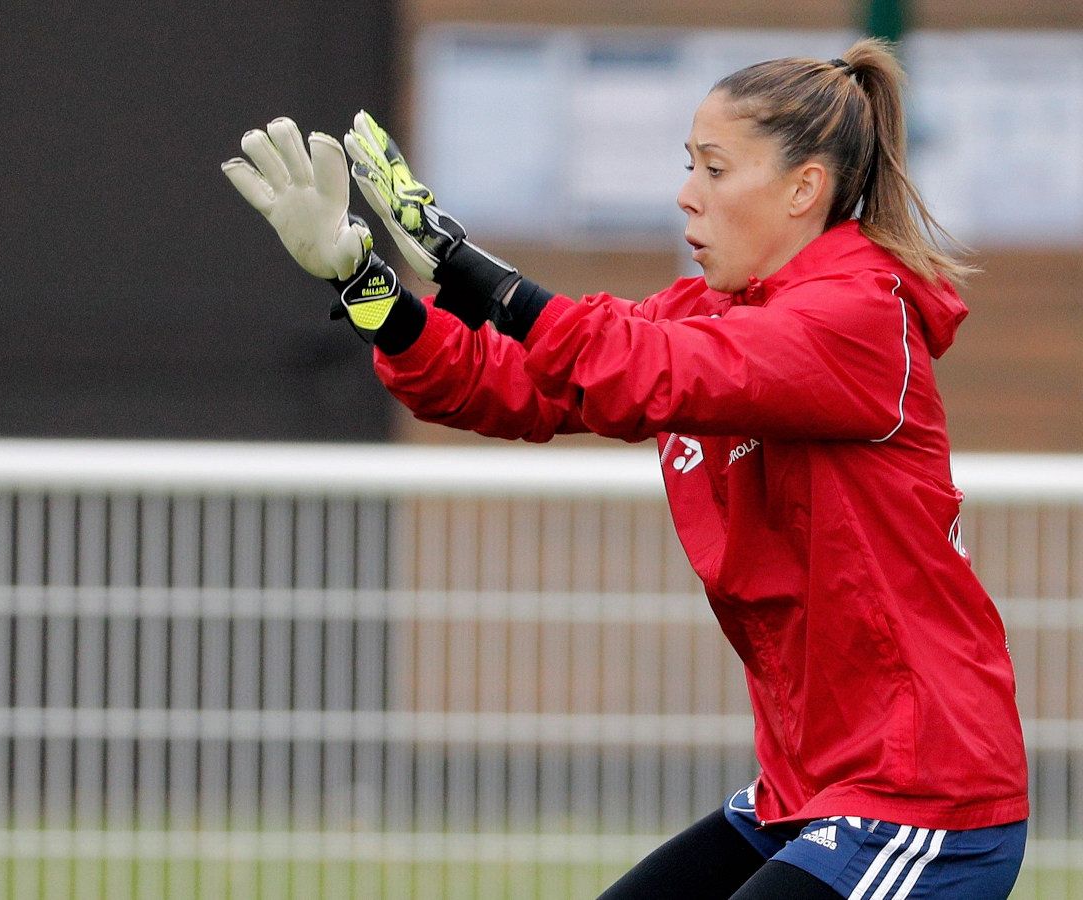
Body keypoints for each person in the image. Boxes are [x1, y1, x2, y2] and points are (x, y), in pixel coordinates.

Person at [222, 37, 1028, 899]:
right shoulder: (707, 311)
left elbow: (646, 369)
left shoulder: (856, 315)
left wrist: (467, 266)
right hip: (807, 791)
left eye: (715, 169)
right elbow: (511, 382)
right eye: (689, 165)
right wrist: (364, 282)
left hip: (924, 800)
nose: (687, 193)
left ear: (804, 190)